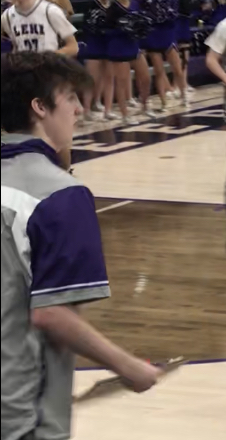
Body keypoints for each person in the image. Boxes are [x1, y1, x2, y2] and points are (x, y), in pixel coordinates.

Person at [1, 53, 161, 440]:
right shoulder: (60, 195)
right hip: (21, 413)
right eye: (70, 96)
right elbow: (51, 315)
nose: (78, 108)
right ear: (39, 107)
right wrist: (128, 367)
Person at [0, 0, 77, 56]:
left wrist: (47, 59)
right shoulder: (7, 15)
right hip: (23, 68)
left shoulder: (50, 11)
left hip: (48, 67)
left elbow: (73, 47)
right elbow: (15, 47)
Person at [105, 0, 153, 124]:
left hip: (134, 45)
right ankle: (125, 114)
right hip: (119, 46)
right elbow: (107, 30)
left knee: (146, 78)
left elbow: (141, 24)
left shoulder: (135, 4)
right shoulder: (113, 8)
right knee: (122, 82)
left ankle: (144, 106)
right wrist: (122, 28)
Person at [142, 0, 188, 108]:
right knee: (159, 71)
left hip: (168, 35)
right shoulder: (148, 1)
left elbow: (174, 16)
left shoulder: (171, 1)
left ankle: (184, 94)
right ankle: (163, 101)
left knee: (177, 69)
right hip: (153, 36)